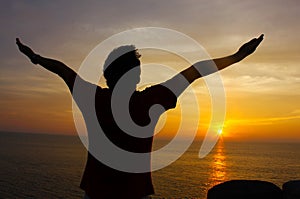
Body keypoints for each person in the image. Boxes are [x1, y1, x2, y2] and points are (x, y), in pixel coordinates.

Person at [16, 34, 264, 199]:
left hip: (95, 191)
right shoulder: (150, 100)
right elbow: (196, 71)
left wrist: (35, 58)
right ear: (136, 77)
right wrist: (238, 56)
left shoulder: (93, 99)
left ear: (107, 75)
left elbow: (61, 69)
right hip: (135, 193)